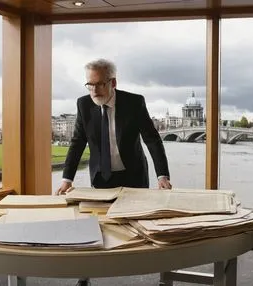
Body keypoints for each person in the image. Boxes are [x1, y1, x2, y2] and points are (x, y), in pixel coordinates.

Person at [56, 58, 172, 197]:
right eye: (90, 85)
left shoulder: (134, 103)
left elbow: (152, 140)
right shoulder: (83, 104)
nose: (94, 90)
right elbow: (77, 142)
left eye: (99, 84)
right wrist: (67, 179)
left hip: (134, 177)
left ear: (113, 83)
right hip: (101, 177)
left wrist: (162, 176)